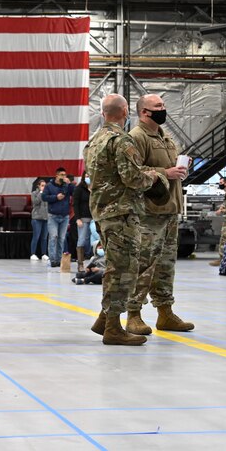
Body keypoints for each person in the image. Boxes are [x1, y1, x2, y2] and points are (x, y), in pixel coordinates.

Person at [83, 93, 158, 346]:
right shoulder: (121, 140)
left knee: (115, 266)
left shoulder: (94, 141)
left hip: (103, 212)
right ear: (125, 111)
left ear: (103, 113)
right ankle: (114, 328)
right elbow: (132, 178)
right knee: (123, 269)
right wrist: (155, 177)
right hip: (122, 213)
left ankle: (104, 320)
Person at [127, 94, 194, 335]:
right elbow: (133, 173)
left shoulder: (166, 138)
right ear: (145, 112)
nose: (163, 109)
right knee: (144, 264)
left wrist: (181, 169)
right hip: (149, 212)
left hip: (170, 209)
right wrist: (166, 171)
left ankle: (165, 312)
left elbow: (169, 171)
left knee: (166, 265)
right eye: (158, 107)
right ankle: (133, 313)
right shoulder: (137, 137)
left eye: (163, 105)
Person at [42, 167, 75, 267]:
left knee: (61, 238)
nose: (63, 177)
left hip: (64, 216)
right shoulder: (49, 186)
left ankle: (59, 259)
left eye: (65, 175)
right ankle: (52, 260)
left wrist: (70, 184)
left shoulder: (67, 186)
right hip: (53, 216)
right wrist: (55, 197)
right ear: (56, 175)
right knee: (53, 237)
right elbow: (44, 197)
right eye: (61, 175)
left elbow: (75, 193)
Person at [72, 171, 92, 272]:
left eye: (90, 176)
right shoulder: (79, 189)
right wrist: (77, 218)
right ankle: (80, 263)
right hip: (83, 218)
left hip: (93, 218)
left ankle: (92, 262)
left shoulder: (95, 188)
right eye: (87, 176)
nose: (88, 178)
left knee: (91, 241)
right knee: (82, 239)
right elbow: (75, 204)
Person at [29, 179, 49, 261]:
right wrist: (41, 193)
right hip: (37, 218)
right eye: (42, 185)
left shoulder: (47, 194)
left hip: (46, 218)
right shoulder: (34, 193)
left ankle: (44, 253)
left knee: (44, 237)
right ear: (38, 186)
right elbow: (35, 202)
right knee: (36, 236)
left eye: (45, 186)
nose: (44, 187)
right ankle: (33, 253)